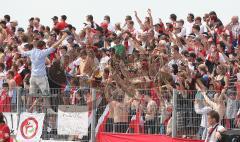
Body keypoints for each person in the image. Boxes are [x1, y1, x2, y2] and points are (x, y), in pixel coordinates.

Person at [17, 32, 68, 113]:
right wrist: (63, 38)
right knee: (46, 94)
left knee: (31, 95)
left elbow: (22, 52)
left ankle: (27, 111)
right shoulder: (43, 52)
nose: (45, 47)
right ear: (43, 47)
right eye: (44, 46)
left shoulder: (32, 51)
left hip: (33, 77)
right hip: (41, 77)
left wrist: (18, 45)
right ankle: (48, 110)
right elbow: (54, 46)